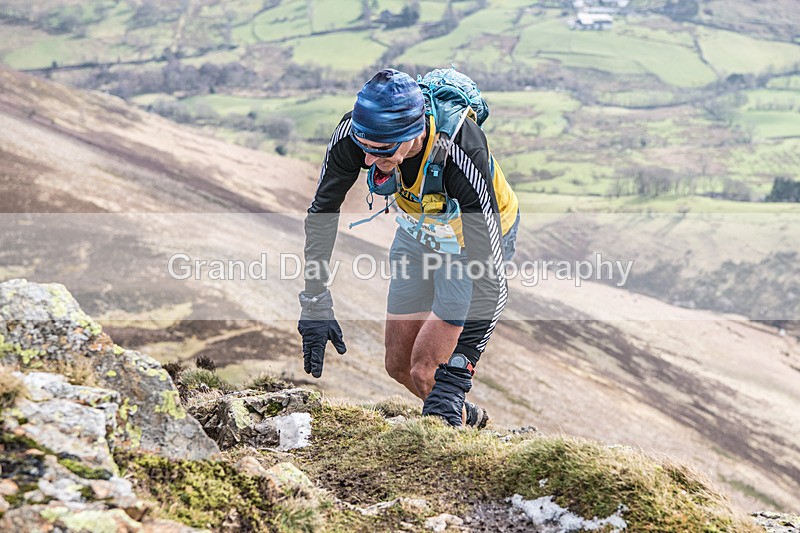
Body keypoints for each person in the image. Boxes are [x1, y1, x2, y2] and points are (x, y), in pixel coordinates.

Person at [298, 68, 519, 427]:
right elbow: (322, 212)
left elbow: (491, 281)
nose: (368, 161)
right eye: (364, 149)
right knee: (398, 365)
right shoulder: (357, 133)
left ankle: (455, 434)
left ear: (413, 133)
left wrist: (459, 374)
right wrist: (314, 299)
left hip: (469, 245)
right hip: (419, 231)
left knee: (427, 372)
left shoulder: (460, 152)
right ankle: (469, 420)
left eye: (381, 151)